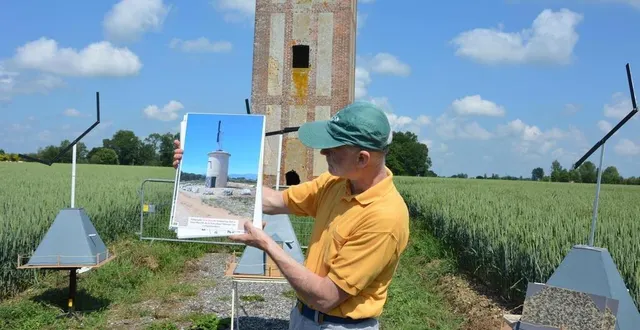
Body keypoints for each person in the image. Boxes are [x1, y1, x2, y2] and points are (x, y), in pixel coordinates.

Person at [173, 101, 410, 329]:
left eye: (334, 147)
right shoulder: (336, 183)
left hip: (340, 325)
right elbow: (276, 201)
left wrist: (266, 244)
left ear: (362, 158)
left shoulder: (384, 218)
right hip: (303, 317)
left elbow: (326, 298)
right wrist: (200, 177)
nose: (323, 152)